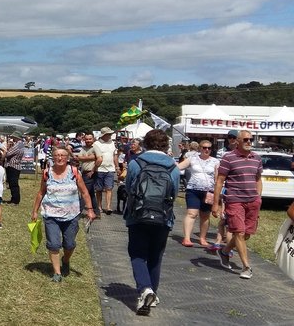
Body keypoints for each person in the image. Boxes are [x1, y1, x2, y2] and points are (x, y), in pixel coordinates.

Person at [124, 129, 180, 315]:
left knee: (138, 254)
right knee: (155, 256)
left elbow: (129, 188)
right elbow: (174, 193)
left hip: (138, 216)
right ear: (166, 145)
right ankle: (152, 293)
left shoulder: (136, 163)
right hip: (163, 217)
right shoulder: (173, 166)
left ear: (145, 143)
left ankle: (144, 288)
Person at [31, 148, 95, 282]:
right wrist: (35, 211)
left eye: (62, 155)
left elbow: (84, 192)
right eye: (56, 155)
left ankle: (65, 260)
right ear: (53, 157)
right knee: (53, 244)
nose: (59, 158)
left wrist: (90, 209)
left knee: (70, 244)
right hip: (51, 214)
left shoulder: (74, 172)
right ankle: (57, 273)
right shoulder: (47, 173)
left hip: (71, 215)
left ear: (67, 158)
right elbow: (41, 193)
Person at [212, 129, 263, 280]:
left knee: (246, 234)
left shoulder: (257, 158)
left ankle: (225, 251)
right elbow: (220, 181)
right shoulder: (229, 158)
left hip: (253, 201)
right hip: (234, 200)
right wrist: (216, 204)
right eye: (246, 139)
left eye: (251, 139)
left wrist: (258, 198)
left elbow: (258, 179)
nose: (249, 142)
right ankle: (246, 267)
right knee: (239, 232)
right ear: (238, 141)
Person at [177, 139, 219, 247]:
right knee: (192, 213)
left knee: (205, 216)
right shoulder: (192, 159)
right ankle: (186, 238)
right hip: (193, 190)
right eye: (204, 147)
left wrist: (217, 193)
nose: (207, 150)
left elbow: (217, 178)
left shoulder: (215, 161)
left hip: (208, 192)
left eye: (209, 148)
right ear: (200, 148)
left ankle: (203, 238)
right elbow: (178, 167)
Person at [93, 127, 119, 215]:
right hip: (99, 169)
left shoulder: (112, 143)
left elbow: (115, 155)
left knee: (109, 188)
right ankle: (99, 206)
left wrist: (117, 166)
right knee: (99, 189)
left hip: (110, 169)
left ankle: (108, 206)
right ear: (104, 135)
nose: (110, 136)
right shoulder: (96, 144)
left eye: (110, 134)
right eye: (108, 134)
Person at [76, 132, 99, 216]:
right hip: (85, 172)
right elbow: (79, 158)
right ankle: (97, 212)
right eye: (86, 139)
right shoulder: (84, 148)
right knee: (91, 193)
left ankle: (78, 213)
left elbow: (99, 159)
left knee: (84, 192)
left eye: (90, 139)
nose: (88, 140)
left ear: (93, 139)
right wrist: (90, 157)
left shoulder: (95, 148)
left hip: (90, 173)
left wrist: (93, 171)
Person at [4, 132, 25, 205]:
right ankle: (13, 199)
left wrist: (8, 148)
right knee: (13, 183)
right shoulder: (21, 144)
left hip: (13, 166)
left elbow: (8, 153)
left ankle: (15, 200)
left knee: (13, 183)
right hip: (16, 165)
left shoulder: (17, 145)